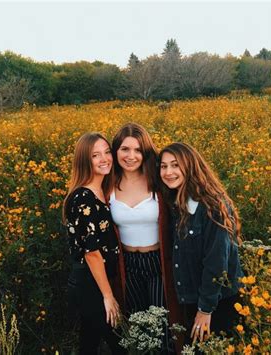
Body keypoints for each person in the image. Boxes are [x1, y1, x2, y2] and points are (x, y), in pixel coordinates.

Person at [159, 142, 244, 344]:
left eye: (175, 165)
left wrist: (205, 309)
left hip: (218, 301)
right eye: (163, 166)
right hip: (193, 299)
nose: (168, 172)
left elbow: (216, 263)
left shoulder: (212, 206)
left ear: (190, 166)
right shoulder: (176, 201)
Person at [110, 123, 181, 353]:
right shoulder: (107, 184)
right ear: (116, 151)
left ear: (146, 152)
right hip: (127, 264)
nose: (131, 156)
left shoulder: (158, 181)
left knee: (162, 329)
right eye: (125, 149)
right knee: (137, 328)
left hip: (158, 262)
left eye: (138, 150)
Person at [63, 132, 125, 354]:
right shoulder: (83, 198)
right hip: (90, 283)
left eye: (107, 152)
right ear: (84, 161)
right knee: (120, 343)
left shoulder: (102, 190)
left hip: (97, 280)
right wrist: (108, 296)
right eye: (95, 155)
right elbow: (92, 253)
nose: (104, 159)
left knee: (88, 343)